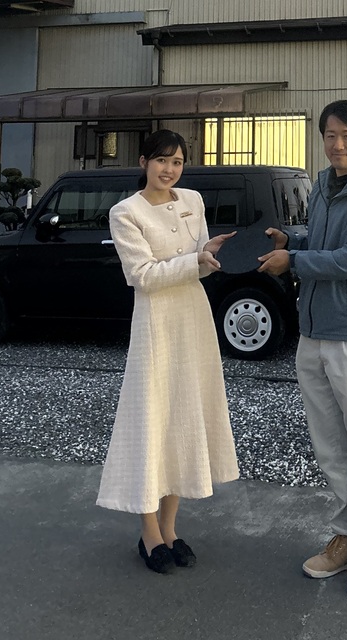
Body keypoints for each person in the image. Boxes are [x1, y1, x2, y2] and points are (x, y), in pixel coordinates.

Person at [259, 100, 347, 597]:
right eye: (329, 135)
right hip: (314, 332)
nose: (337, 145)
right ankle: (346, 536)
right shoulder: (323, 185)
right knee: (330, 446)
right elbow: (324, 242)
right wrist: (292, 239)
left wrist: (294, 260)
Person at [97, 130, 239, 574]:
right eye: (161, 160)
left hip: (193, 317)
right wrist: (195, 262)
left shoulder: (193, 199)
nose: (169, 169)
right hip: (156, 323)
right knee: (151, 418)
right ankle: (148, 533)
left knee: (183, 415)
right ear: (144, 162)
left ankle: (170, 527)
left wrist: (207, 254)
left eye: (177, 161)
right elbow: (142, 275)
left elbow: (198, 262)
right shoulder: (126, 212)